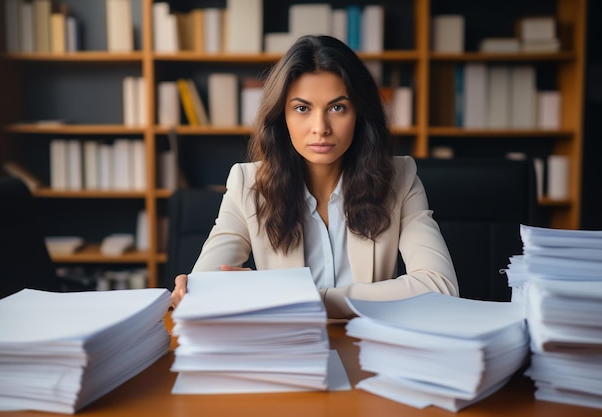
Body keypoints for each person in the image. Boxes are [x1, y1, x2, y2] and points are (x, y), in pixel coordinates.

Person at [170, 35, 458, 319]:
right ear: (282, 116)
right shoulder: (247, 183)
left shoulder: (400, 177)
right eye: (302, 108)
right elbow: (206, 286)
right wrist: (193, 291)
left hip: (369, 349)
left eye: (337, 107)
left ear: (359, 114)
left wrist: (299, 298)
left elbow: (440, 287)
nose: (320, 127)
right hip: (288, 350)